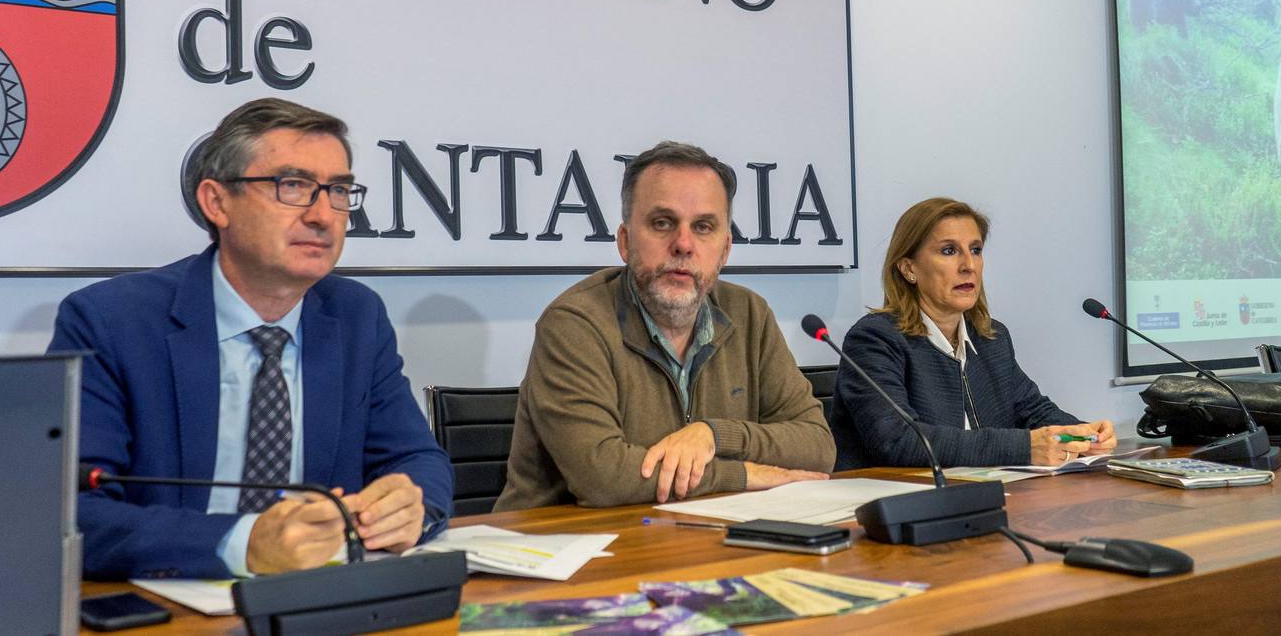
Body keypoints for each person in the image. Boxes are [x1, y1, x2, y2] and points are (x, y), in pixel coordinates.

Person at [48, 98, 452, 579]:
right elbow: (73, 511)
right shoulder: (110, 320)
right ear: (217, 202)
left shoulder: (356, 315)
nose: (324, 215)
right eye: (294, 186)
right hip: (175, 598)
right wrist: (242, 543)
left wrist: (411, 506)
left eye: (339, 190)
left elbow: (417, 459)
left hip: (321, 595)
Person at [495, 141, 834, 510]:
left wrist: (713, 435)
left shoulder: (750, 314)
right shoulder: (574, 323)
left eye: (703, 227)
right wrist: (746, 475)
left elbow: (817, 447)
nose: (683, 244)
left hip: (699, 540)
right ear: (625, 242)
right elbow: (604, 479)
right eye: (662, 223)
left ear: (724, 251)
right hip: (564, 550)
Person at [831, 197, 1116, 470]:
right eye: (949, 251)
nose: (968, 265)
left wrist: (1083, 435)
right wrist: (1025, 447)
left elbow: (1032, 410)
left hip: (984, 493)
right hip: (899, 503)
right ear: (909, 269)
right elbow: (898, 440)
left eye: (976, 250)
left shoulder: (991, 338)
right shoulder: (875, 339)